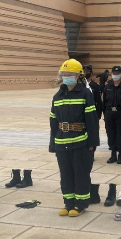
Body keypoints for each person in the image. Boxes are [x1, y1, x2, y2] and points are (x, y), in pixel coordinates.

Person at [49, 59, 100, 217]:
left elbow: (92, 120)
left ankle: (81, 204)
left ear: (78, 76)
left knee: (80, 174)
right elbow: (53, 122)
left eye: (69, 74)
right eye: (64, 74)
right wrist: (52, 143)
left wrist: (92, 143)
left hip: (80, 142)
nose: (66, 76)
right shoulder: (57, 96)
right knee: (66, 174)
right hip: (61, 142)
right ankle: (69, 203)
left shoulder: (85, 94)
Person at [103, 66, 121, 164]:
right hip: (109, 112)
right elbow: (104, 102)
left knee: (120, 134)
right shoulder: (107, 87)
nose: (115, 75)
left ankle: (120, 155)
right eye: (114, 73)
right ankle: (113, 155)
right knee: (110, 133)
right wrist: (105, 114)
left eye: (117, 73)